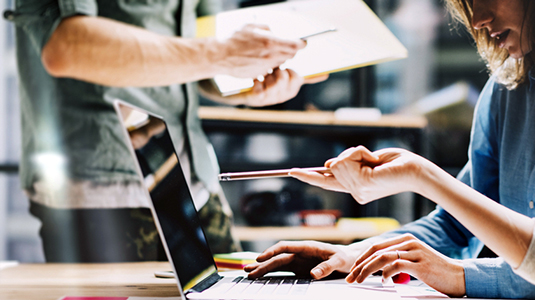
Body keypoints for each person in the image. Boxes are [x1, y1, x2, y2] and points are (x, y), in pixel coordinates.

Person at [243, 0, 535, 298]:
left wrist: (463, 277)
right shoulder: (507, 90)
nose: (478, 19)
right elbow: (459, 227)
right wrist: (353, 257)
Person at [6, 0, 326, 262]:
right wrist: (222, 54)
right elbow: (67, 45)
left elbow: (200, 48)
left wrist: (246, 86)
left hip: (195, 179)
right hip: (104, 189)